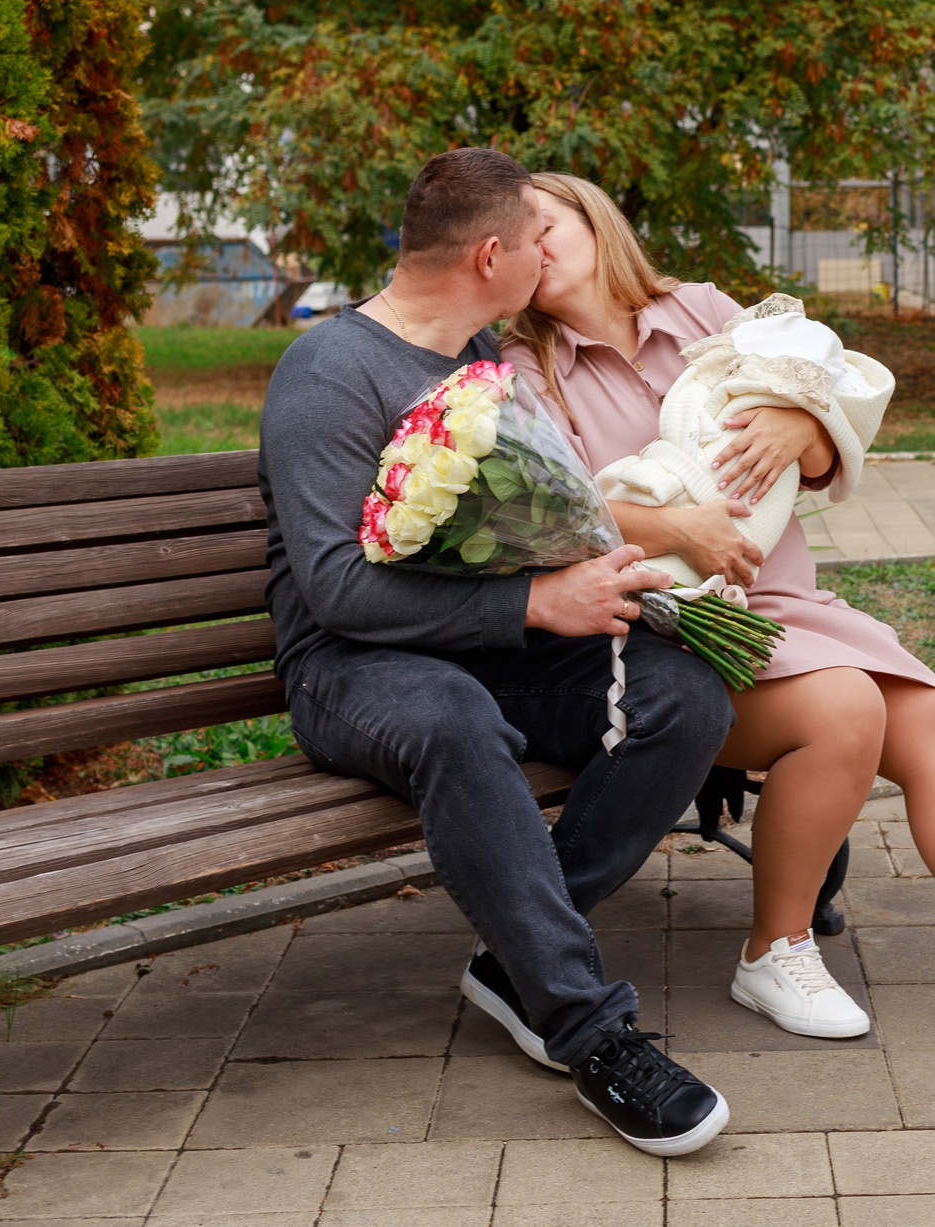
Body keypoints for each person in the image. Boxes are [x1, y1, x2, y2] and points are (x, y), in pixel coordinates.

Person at [505, 174, 935, 1067]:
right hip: (683, 629)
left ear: (594, 217)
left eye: (546, 223)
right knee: (847, 708)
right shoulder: (523, 369)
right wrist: (675, 527)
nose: (534, 246)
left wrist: (797, 427)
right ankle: (773, 953)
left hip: (789, 604)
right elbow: (547, 515)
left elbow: (826, 436)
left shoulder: (702, 312)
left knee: (931, 718)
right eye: (514, 237)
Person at [258, 147, 734, 1156]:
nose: (546, 264)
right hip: (351, 668)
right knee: (457, 721)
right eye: (537, 243)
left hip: (490, 646)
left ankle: (517, 962)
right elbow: (337, 589)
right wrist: (537, 600)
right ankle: (591, 1032)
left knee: (682, 693)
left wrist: (592, 574)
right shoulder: (329, 372)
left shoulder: (480, 356)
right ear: (488, 255)